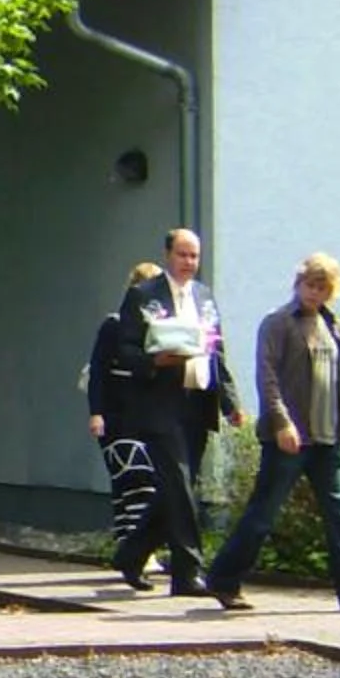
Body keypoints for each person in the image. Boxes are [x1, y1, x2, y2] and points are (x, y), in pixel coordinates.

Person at [204, 256, 340, 614]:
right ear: (298, 283)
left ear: (331, 291)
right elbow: (267, 377)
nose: (314, 292)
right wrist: (282, 422)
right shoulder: (278, 323)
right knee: (263, 513)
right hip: (291, 438)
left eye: (322, 287)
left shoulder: (331, 322)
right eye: (310, 284)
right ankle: (223, 579)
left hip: (328, 437)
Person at [112, 227, 242, 595]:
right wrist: (156, 361)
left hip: (197, 402)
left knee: (178, 489)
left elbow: (218, 351)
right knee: (180, 487)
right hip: (159, 404)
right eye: (183, 255)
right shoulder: (143, 295)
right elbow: (125, 350)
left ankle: (131, 553)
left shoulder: (204, 296)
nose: (189, 263)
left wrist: (231, 401)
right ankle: (187, 573)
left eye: (195, 256)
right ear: (169, 255)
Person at [87, 264, 162, 577]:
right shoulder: (114, 326)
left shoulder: (159, 332)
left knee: (136, 480)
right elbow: (98, 372)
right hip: (117, 416)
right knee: (134, 477)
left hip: (146, 415)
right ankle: (139, 550)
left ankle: (131, 547)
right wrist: (96, 413)